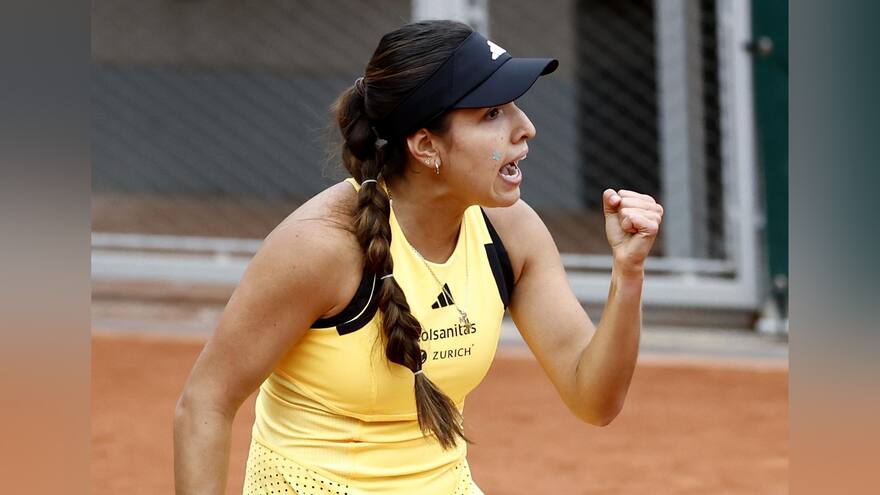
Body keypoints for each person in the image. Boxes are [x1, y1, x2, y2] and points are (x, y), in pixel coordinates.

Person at [173, 19, 663, 495]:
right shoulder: (321, 246)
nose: (526, 128)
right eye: (492, 114)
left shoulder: (510, 231)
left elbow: (593, 398)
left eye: (514, 106)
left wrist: (628, 273)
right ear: (426, 145)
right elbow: (205, 403)